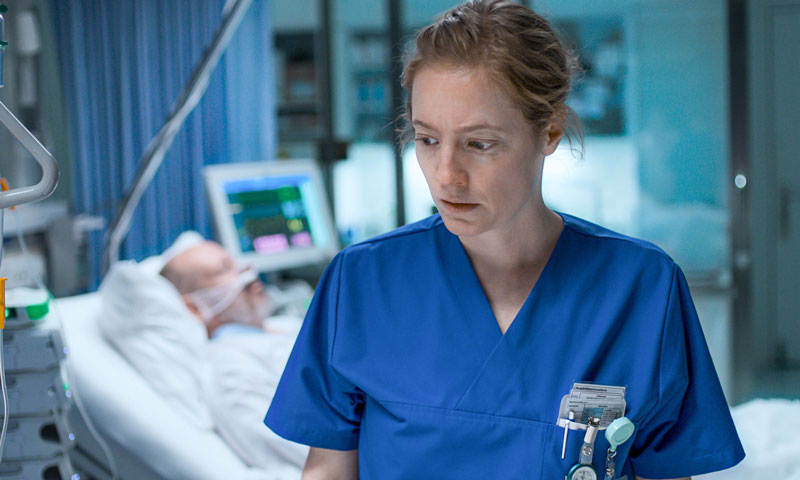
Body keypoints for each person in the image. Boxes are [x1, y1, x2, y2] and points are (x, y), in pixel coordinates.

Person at [264, 1, 745, 479]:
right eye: (427, 139)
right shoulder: (362, 283)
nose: (446, 176)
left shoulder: (642, 289)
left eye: (479, 143)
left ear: (550, 130)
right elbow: (327, 471)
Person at [159, 236, 308, 475]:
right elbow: (300, 450)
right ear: (195, 308)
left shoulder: (283, 328)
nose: (247, 269)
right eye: (224, 270)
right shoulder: (231, 369)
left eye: (236, 262)